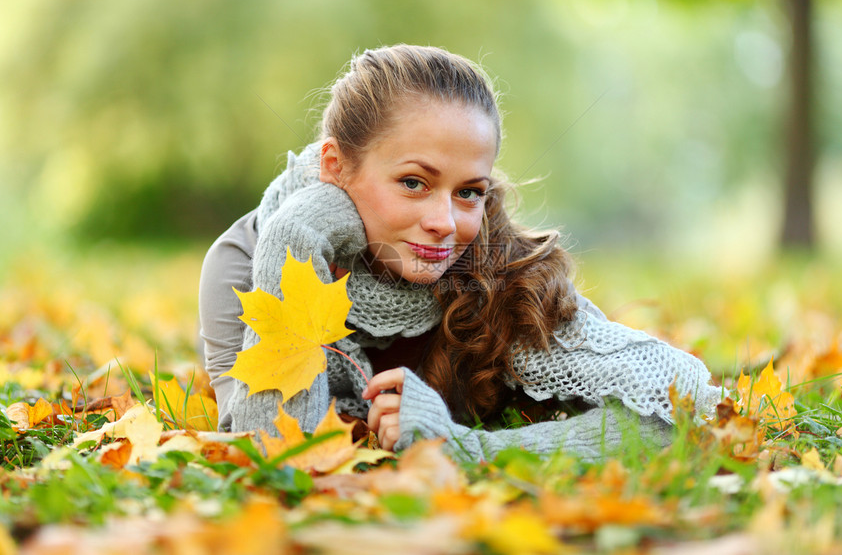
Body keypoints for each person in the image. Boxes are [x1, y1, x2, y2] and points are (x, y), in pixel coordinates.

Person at [198, 44, 722, 462]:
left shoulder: (499, 268)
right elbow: (277, 453)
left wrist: (469, 448)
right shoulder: (245, 260)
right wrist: (299, 235)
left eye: (469, 191)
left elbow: (679, 404)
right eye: (413, 182)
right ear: (335, 166)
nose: (446, 224)